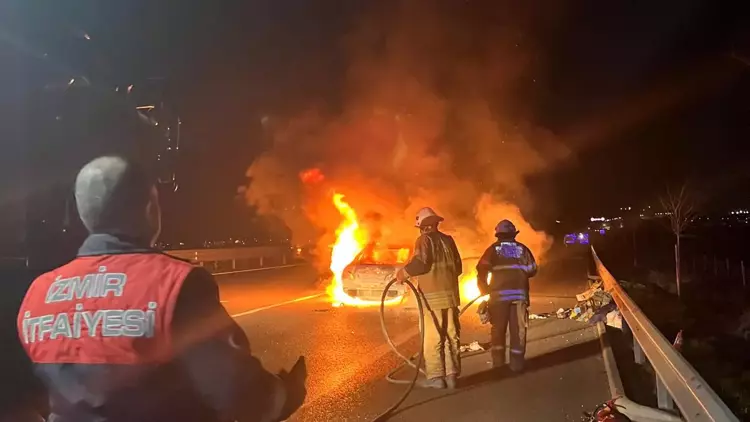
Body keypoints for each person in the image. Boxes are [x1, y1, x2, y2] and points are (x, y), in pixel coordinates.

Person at [16, 156, 306, 422]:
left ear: (84, 215)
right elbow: (238, 392)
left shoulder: (38, 293)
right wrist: (286, 395)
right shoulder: (177, 284)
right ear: (150, 208)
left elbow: (23, 399)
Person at [396, 207, 463, 389]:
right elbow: (458, 268)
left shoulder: (424, 240)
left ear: (422, 227)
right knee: (451, 335)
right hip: (450, 296)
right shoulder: (448, 240)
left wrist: (404, 273)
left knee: (433, 337)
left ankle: (436, 378)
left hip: (431, 298)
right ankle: (452, 376)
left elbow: (421, 263)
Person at [476, 219, 537, 373]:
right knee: (518, 331)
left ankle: (498, 365)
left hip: (498, 298)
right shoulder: (523, 249)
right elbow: (532, 269)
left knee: (498, 331)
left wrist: (483, 288)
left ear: (498, 234)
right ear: (513, 234)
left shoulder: (493, 249)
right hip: (519, 297)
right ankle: (517, 365)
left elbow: (481, 268)